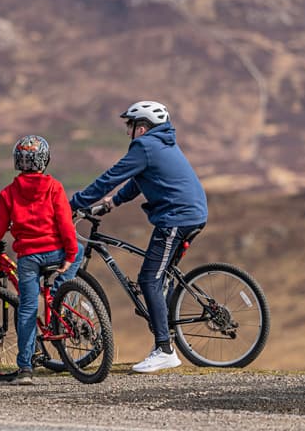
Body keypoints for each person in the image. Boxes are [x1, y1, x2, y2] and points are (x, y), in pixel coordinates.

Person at [69, 100, 207, 374]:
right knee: (160, 278)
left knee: (148, 279)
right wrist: (112, 203)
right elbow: (135, 182)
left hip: (176, 219)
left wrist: (73, 203)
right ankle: (164, 321)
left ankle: (165, 349)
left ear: (142, 128)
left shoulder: (144, 146)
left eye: (130, 126)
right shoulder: (161, 143)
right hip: (192, 214)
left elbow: (110, 177)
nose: (128, 132)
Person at [0, 135, 77, 386]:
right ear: (45, 160)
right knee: (79, 250)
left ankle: (25, 369)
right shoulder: (54, 187)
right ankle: (61, 292)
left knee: (27, 310)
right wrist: (69, 256)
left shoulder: (8, 193)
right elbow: (66, 225)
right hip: (56, 252)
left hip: (28, 257)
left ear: (18, 162)